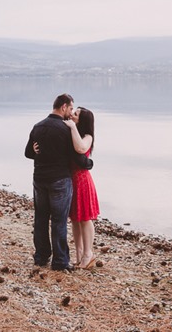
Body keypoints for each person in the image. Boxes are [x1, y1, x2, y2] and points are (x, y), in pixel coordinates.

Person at [25, 94, 93, 271]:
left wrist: (35, 150)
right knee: (59, 220)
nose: (70, 113)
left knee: (40, 218)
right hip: (59, 180)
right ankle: (60, 261)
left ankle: (41, 257)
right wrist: (89, 163)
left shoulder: (38, 126)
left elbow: (28, 153)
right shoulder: (65, 129)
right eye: (71, 109)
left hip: (39, 179)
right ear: (63, 107)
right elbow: (78, 157)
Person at [64, 106, 100, 269]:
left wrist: (71, 126)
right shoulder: (73, 132)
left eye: (76, 114)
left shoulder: (87, 136)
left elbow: (81, 148)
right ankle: (79, 254)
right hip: (71, 180)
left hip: (82, 180)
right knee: (75, 219)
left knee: (85, 218)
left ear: (82, 120)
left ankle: (88, 254)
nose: (72, 115)